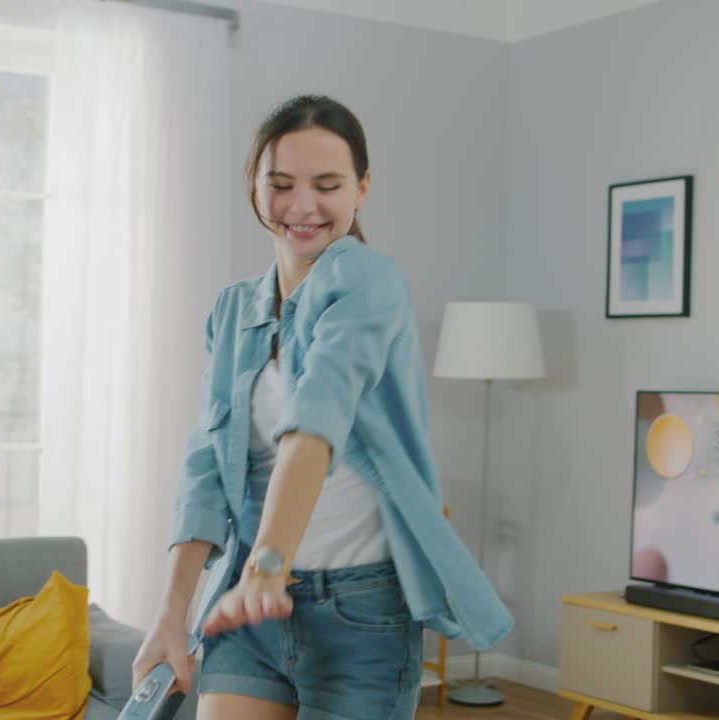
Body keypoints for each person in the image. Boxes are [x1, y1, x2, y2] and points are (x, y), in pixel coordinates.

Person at [132, 95, 513, 720]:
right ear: (254, 188)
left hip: (360, 612)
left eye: (327, 185)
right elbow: (204, 470)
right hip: (248, 607)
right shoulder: (233, 311)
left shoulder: (369, 281)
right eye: (281, 184)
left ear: (362, 188)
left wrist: (270, 563)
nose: (302, 205)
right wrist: (170, 613)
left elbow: (316, 417)